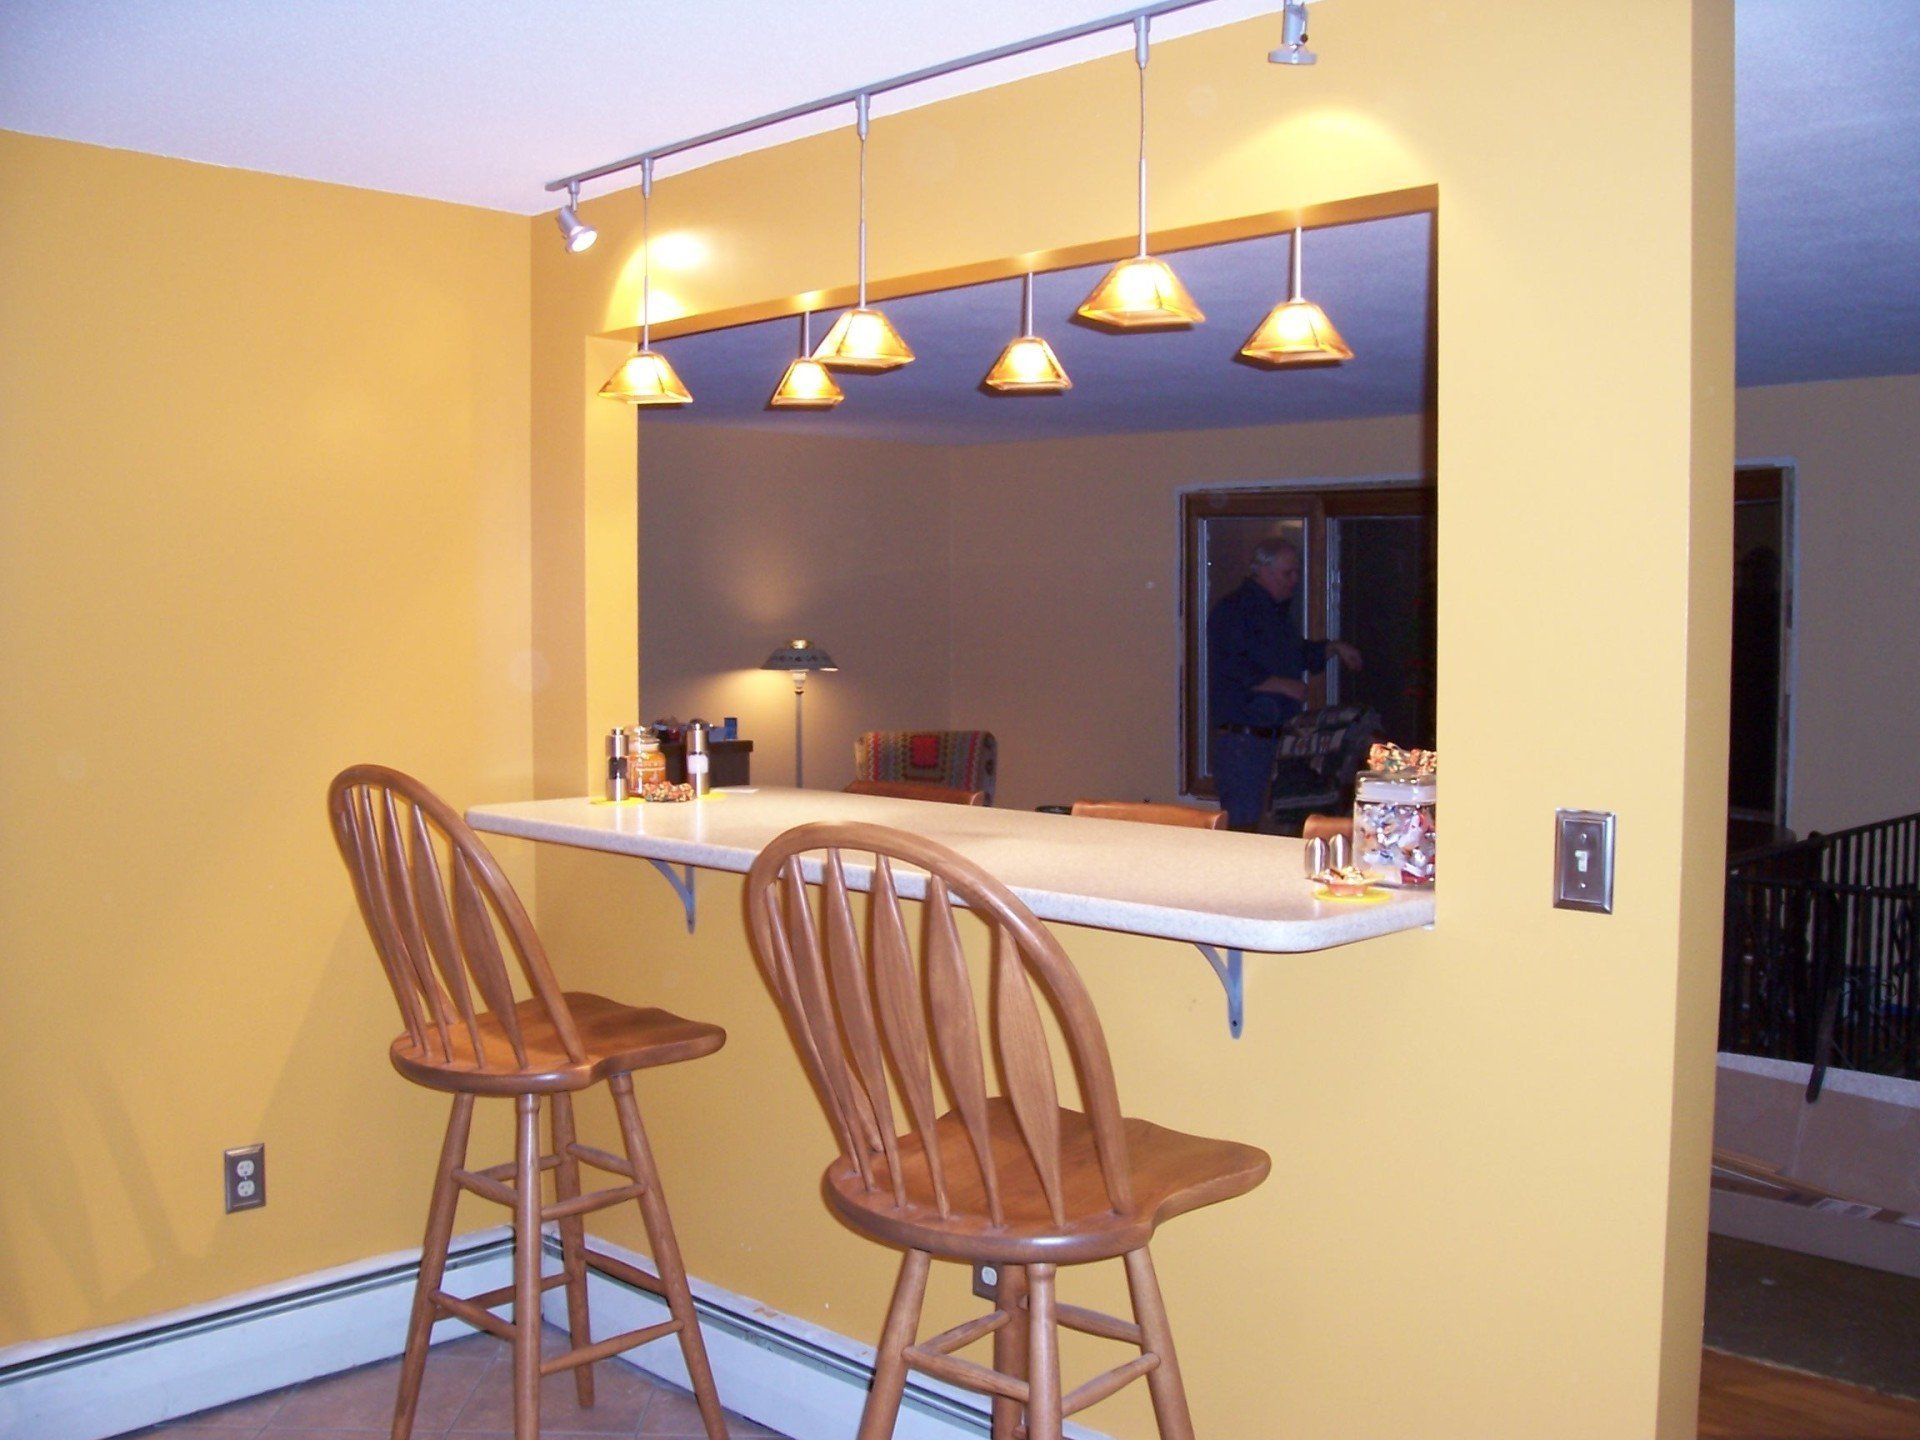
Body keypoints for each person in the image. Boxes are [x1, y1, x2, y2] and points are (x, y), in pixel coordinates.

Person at [1207, 537, 1362, 830]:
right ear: (1262, 571)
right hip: (1244, 742)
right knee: (1244, 829)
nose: (1294, 580)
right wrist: (1283, 685)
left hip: (1277, 740)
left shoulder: (1276, 615)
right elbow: (1232, 667)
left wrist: (1333, 647)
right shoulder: (1233, 611)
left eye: (1295, 573)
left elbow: (1297, 653)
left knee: (1280, 823)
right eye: (1287, 573)